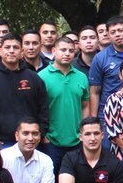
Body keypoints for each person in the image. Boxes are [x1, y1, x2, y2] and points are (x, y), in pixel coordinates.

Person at [0, 32, 49, 145]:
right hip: (1, 143)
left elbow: (43, 109)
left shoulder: (34, 78)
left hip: (30, 141)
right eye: (7, 47)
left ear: (21, 52)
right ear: (0, 51)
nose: (11, 51)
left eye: (15, 47)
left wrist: (41, 132)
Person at [39, 35, 91, 168]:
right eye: (63, 50)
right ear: (54, 51)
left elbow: (85, 106)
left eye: (71, 50)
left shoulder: (82, 77)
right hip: (51, 142)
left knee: (76, 180)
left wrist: (83, 132)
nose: (67, 54)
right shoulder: (41, 77)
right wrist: (43, 136)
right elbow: (36, 108)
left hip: (76, 141)